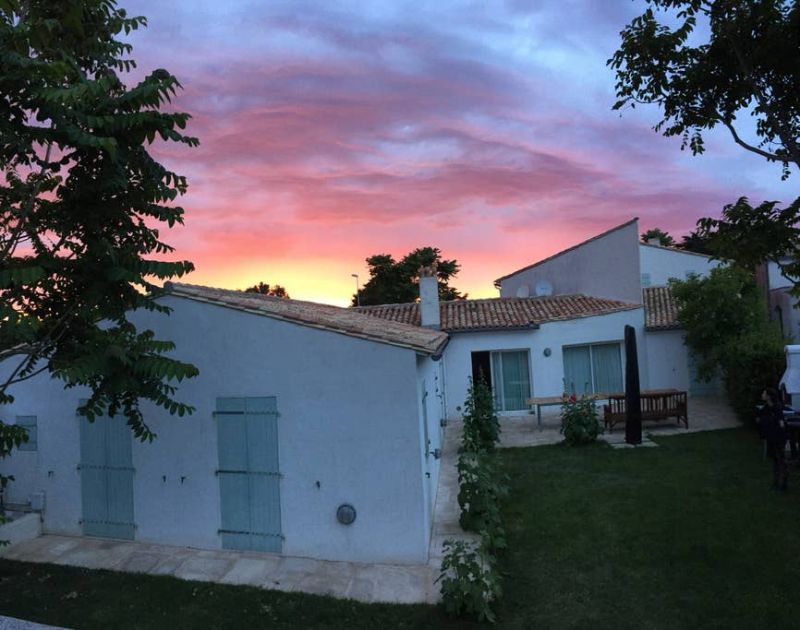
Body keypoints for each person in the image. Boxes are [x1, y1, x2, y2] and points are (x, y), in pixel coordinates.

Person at [759, 387, 788, 492]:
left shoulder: (777, 408)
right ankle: (776, 483)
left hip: (778, 438)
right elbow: (760, 418)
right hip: (771, 437)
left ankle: (783, 484)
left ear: (769, 396)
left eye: (764, 393)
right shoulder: (766, 408)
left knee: (780, 460)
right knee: (775, 461)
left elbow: (781, 424)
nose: (762, 395)